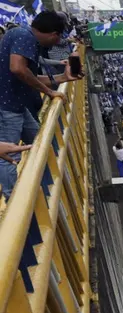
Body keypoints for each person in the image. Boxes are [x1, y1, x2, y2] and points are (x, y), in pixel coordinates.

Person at [0, 11, 82, 197]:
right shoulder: (24, 36)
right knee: (9, 157)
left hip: (17, 106)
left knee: (41, 141)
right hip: (7, 109)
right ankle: (15, 202)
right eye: (59, 37)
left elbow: (29, 76)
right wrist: (49, 92)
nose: (57, 42)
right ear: (54, 34)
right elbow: (18, 69)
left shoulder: (22, 35)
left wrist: (63, 78)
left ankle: (46, 188)